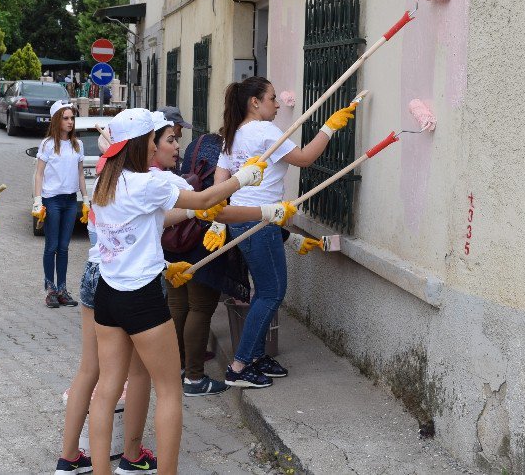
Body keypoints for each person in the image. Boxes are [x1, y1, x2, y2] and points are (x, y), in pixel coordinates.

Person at [87, 108, 266, 475]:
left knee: (106, 389)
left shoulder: (106, 182)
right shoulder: (150, 183)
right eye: (155, 139)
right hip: (142, 299)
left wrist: (188, 216)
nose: (159, 145)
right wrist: (241, 179)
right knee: (169, 390)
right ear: (141, 144)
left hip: (108, 296)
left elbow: (154, 218)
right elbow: (202, 200)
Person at [212, 76, 355, 389]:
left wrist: (219, 218)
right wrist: (329, 128)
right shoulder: (264, 131)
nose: (277, 105)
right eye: (272, 98)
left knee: (263, 290)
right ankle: (239, 366)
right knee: (272, 292)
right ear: (255, 102)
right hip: (260, 220)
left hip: (241, 217)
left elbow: (219, 181)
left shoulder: (233, 133)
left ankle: (258, 357)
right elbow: (304, 159)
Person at [54, 132, 157, 475]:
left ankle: (69, 458)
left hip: (93, 272)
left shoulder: (107, 173)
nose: (167, 147)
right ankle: (132, 455)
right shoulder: (145, 182)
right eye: (163, 139)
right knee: (137, 372)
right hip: (122, 280)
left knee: (89, 368)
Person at [153, 115, 228, 397]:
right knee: (200, 306)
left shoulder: (199, 143)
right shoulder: (228, 151)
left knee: (178, 303)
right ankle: (194, 378)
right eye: (170, 138)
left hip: (173, 237)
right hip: (202, 236)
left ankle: (178, 367)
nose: (176, 144)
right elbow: (209, 202)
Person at [33, 101, 87, 308]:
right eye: (65, 118)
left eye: (72, 118)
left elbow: (81, 174)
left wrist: (86, 199)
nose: (70, 122)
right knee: (52, 246)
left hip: (70, 200)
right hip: (52, 200)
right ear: (57, 120)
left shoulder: (77, 145)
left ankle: (62, 289)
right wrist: (38, 201)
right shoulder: (47, 144)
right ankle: (50, 290)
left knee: (64, 247)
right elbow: (38, 174)